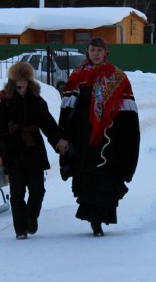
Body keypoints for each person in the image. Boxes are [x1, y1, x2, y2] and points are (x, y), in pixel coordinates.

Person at [56, 37, 140, 236]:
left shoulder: (117, 76)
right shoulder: (78, 75)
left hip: (109, 138)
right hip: (83, 138)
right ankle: (94, 220)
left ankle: (100, 219)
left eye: (99, 50)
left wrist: (127, 140)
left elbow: (128, 114)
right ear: (87, 52)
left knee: (105, 178)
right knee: (88, 177)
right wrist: (64, 136)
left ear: (105, 53)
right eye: (92, 50)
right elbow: (67, 111)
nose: (95, 54)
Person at [0, 61, 62, 240]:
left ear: (29, 82)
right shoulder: (5, 104)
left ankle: (31, 217)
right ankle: (20, 229)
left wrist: (58, 141)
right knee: (17, 193)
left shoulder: (37, 101)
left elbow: (48, 124)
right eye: (18, 79)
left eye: (24, 79)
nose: (21, 83)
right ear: (12, 81)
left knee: (38, 190)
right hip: (13, 152)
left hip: (34, 150)